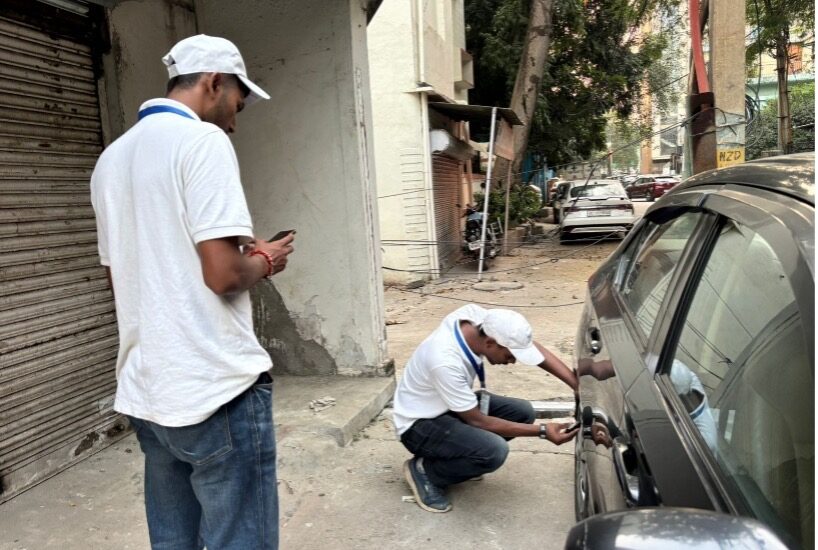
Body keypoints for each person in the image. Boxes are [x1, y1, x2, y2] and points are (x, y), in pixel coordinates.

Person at [90, 35, 292, 549]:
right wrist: (266, 259)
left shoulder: (111, 159)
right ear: (214, 82)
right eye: (237, 104)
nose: (233, 120)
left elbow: (124, 278)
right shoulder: (202, 142)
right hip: (213, 388)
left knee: (174, 539)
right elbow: (223, 276)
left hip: (150, 391)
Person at [393, 304, 579, 513]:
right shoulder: (444, 361)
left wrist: (575, 383)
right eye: (510, 355)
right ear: (490, 343)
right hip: (420, 424)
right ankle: (426, 471)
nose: (512, 361)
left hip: (448, 404)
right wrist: (543, 431)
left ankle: (461, 457)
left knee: (523, 412)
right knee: (493, 450)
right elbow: (478, 421)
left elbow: (531, 345)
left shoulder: (477, 318)